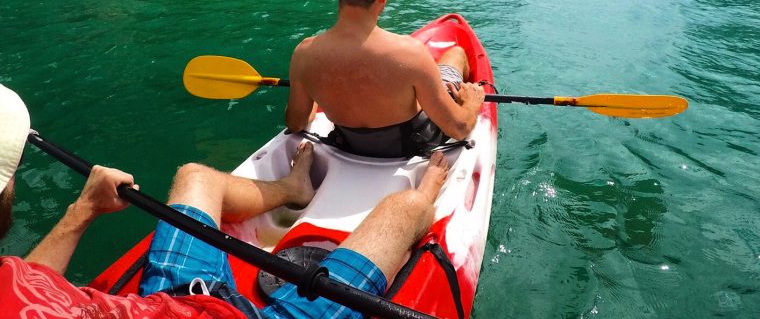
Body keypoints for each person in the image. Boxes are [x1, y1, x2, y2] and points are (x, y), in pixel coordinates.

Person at [0, 84, 449, 318]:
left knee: (196, 176)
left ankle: (292, 189)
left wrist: (83, 211)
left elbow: (24, 283)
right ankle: (431, 188)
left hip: (172, 299)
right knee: (404, 207)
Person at [286, 0, 486, 157]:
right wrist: (471, 103)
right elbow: (459, 127)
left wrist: (315, 90)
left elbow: (296, 123)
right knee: (456, 53)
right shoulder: (410, 53)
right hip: (413, 144)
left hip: (348, 145)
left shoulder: (304, 54)